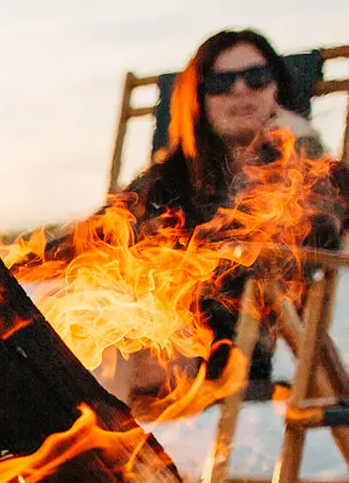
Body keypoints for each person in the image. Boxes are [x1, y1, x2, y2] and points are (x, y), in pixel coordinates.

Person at [111, 28, 349, 387]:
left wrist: (302, 148)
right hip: (154, 325)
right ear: (198, 98)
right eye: (220, 82)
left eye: (256, 77)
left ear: (276, 89)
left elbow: (324, 227)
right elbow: (96, 233)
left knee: (116, 343)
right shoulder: (168, 180)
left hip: (234, 339)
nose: (240, 90)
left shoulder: (309, 174)